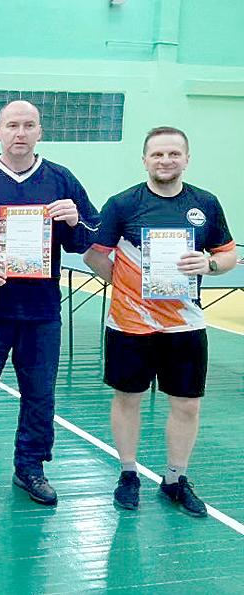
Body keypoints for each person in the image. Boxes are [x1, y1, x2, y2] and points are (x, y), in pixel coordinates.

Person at [0, 100, 100, 505]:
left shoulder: (61, 180)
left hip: (42, 314)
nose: (20, 133)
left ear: (40, 132)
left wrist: (75, 220)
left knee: (40, 396)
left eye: (29, 125)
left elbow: (87, 237)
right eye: (12, 125)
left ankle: (30, 468)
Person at [83, 126, 237, 517]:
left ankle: (175, 479)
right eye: (157, 154)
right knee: (127, 399)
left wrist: (210, 263)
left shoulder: (206, 203)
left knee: (187, 405)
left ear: (186, 158)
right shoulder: (122, 204)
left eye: (173, 154)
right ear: (144, 160)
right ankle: (128, 474)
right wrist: (126, 285)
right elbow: (94, 255)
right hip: (129, 324)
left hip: (185, 324)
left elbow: (227, 254)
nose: (165, 160)